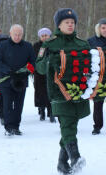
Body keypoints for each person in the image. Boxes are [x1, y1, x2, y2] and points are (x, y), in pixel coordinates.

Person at [36, 8, 89, 174]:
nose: (70, 25)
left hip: (80, 92)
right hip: (59, 92)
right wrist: (49, 62)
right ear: (59, 25)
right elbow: (39, 67)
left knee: (71, 126)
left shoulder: (83, 44)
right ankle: (75, 157)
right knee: (67, 124)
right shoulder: (49, 45)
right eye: (67, 22)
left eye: (72, 22)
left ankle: (61, 163)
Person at [0, 24, 35, 136]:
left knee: (18, 105)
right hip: (6, 80)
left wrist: (25, 72)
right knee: (7, 104)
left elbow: (33, 62)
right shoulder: (2, 45)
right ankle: (8, 127)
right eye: (15, 34)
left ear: (22, 34)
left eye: (19, 34)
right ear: (10, 33)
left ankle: (16, 127)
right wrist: (8, 71)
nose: (17, 36)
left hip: (21, 80)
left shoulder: (28, 46)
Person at [33, 27, 56, 123]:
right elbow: (34, 58)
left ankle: (51, 113)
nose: (44, 37)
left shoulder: (54, 44)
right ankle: (41, 110)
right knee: (40, 92)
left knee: (51, 92)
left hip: (51, 72)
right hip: (39, 73)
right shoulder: (36, 46)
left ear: (49, 35)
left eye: (46, 35)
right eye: (42, 36)